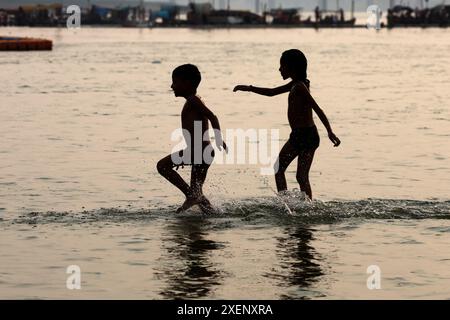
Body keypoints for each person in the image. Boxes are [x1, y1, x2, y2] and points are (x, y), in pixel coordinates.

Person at [233, 49, 340, 200]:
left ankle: (286, 204)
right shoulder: (296, 84)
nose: (279, 69)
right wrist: (249, 88)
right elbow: (271, 92)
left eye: (282, 66)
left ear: (292, 67)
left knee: (279, 169)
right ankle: (305, 206)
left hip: (303, 135)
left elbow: (317, 109)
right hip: (308, 135)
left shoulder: (300, 87)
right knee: (301, 177)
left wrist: (330, 132)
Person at [157, 64, 227, 213]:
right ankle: (212, 214)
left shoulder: (193, 101)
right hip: (203, 152)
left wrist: (219, 138)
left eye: (175, 82)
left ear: (186, 83)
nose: (172, 86)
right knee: (197, 193)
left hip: (199, 152)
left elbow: (212, 116)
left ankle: (191, 196)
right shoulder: (194, 100)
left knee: (162, 166)